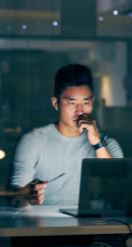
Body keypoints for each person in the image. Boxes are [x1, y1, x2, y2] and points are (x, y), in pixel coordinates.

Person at [8, 64, 124, 207]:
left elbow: (120, 188)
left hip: (98, 225)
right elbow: (13, 195)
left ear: (92, 102)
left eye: (86, 102)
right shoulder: (33, 140)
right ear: (55, 103)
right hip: (47, 226)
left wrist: (97, 143)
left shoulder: (107, 143)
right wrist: (27, 194)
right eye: (72, 103)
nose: (80, 111)